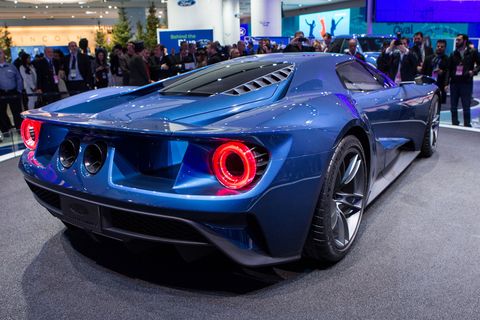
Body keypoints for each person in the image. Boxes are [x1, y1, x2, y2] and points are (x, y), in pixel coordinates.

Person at [447, 34, 480, 127]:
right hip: (454, 82)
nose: (457, 42)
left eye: (459, 40)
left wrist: (473, 71)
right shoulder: (453, 53)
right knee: (453, 107)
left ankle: (467, 124)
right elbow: (449, 69)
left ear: (464, 41)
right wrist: (446, 83)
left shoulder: (473, 52)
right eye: (456, 40)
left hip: (466, 82)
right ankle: (454, 123)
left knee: (466, 106)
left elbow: (479, 64)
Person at [0, 48, 23, 133]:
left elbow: (19, 79)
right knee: (1, 113)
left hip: (13, 92)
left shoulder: (12, 66)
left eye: (0, 53)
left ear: (3, 54)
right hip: (1, 93)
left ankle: (19, 130)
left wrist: (19, 90)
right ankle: (6, 130)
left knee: (16, 112)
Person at [421, 39, 449, 105]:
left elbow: (448, 72)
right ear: (435, 46)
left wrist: (442, 72)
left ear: (445, 48)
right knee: (427, 104)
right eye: (438, 46)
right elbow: (423, 72)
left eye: (442, 47)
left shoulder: (447, 59)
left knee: (439, 105)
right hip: (428, 85)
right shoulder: (428, 58)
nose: (439, 48)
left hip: (440, 85)